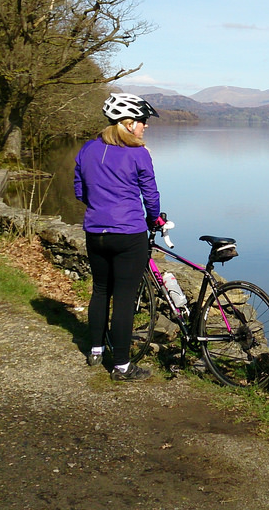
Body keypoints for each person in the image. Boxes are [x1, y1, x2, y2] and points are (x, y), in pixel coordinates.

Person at [74, 93, 161, 381]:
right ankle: (122, 366)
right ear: (128, 123)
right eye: (143, 122)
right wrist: (155, 220)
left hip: (95, 232)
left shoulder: (88, 149)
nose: (145, 127)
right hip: (128, 234)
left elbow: (80, 191)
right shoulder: (138, 153)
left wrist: (101, 208)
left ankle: (96, 350)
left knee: (100, 290)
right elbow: (150, 196)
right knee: (124, 299)